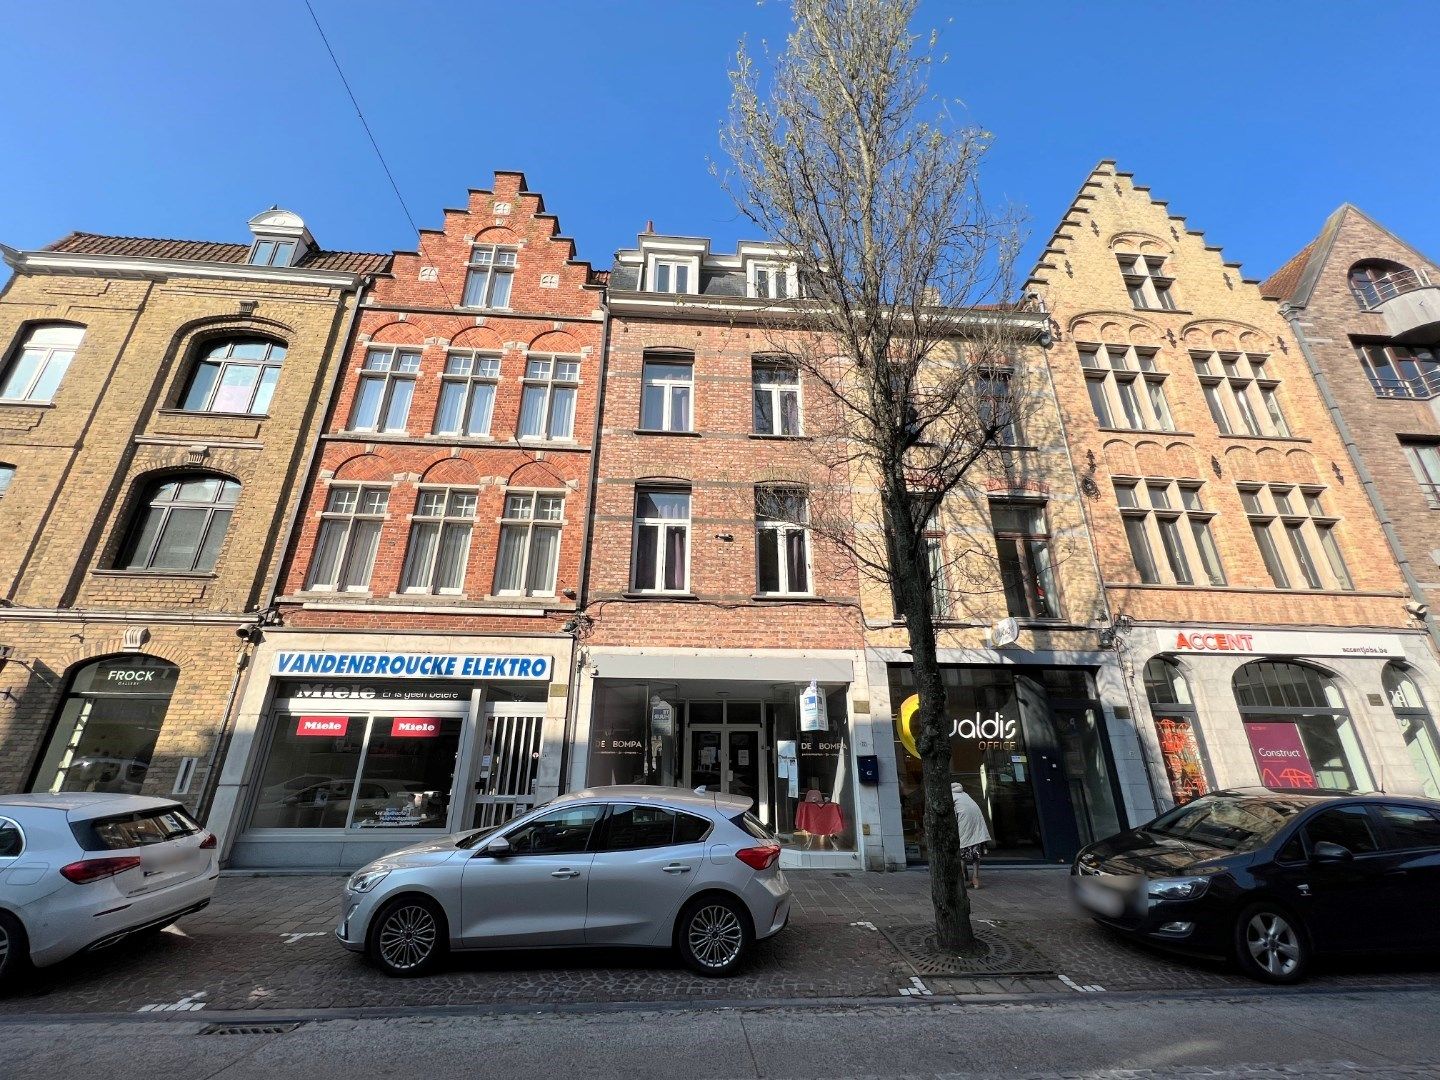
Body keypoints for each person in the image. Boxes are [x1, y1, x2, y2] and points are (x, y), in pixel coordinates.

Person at [951, 782, 992, 889]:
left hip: (965, 825)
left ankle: (961, 881)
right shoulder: (965, 794)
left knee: (962, 853)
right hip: (977, 825)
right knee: (975, 853)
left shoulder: (951, 796)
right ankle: (976, 879)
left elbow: (954, 815)